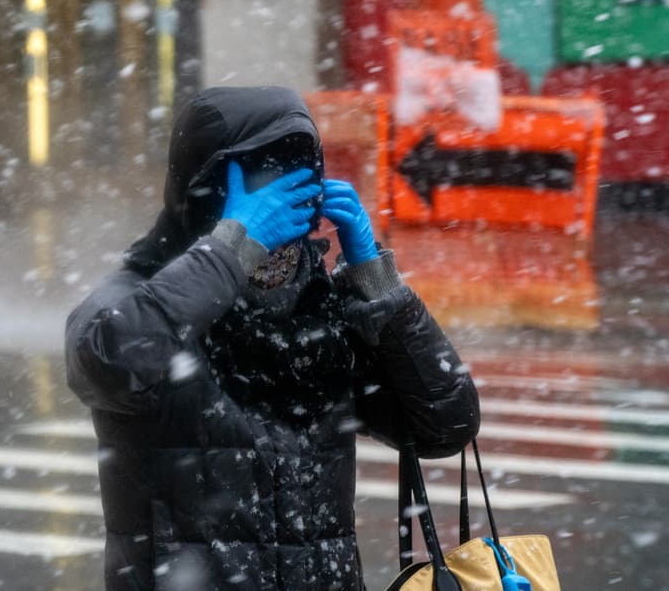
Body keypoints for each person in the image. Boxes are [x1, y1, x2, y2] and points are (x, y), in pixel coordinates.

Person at [65, 86, 480, 591]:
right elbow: (110, 359)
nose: (281, 202)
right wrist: (231, 252)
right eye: (262, 180)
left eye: (298, 176)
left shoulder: (321, 308)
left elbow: (445, 424)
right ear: (203, 189)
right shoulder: (139, 298)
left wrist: (377, 283)